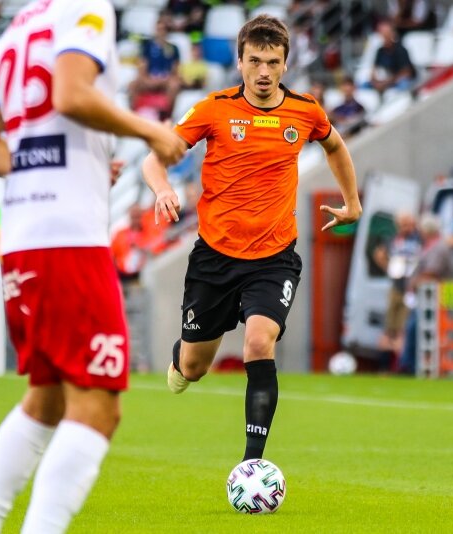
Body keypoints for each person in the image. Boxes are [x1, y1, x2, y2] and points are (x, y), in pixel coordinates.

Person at [0, 0, 185, 532]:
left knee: (47, 400)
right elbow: (71, 95)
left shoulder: (16, 30)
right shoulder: (87, 8)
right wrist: (151, 131)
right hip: (68, 243)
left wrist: (69, 170)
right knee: (98, 407)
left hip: (23, 239)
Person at [141, 15, 362, 462]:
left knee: (259, 343)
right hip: (215, 259)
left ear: (285, 65)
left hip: (274, 258)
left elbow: (335, 145)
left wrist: (352, 203)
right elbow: (154, 158)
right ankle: (183, 354)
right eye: (255, 61)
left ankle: (252, 464)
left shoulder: (305, 111)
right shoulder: (214, 109)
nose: (264, 71)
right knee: (193, 368)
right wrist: (163, 189)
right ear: (240, 62)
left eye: (273, 62)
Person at [398, 214, 453, 374]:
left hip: (435, 300)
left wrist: (414, 283)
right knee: (414, 329)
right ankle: (410, 364)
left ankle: (410, 366)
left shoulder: (438, 248)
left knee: (418, 330)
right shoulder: (430, 246)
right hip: (426, 299)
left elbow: (432, 272)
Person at [371, 211, 421, 357]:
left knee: (403, 325)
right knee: (390, 323)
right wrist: (389, 268)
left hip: (411, 288)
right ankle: (387, 356)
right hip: (396, 285)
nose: (406, 228)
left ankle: (400, 358)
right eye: (403, 225)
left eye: (409, 225)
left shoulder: (418, 239)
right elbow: (379, 254)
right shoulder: (393, 240)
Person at [129, 19, 182, 119]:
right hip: (149, 79)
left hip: (166, 81)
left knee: (174, 85)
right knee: (133, 85)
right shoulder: (147, 47)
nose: (160, 32)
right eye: (158, 29)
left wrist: (164, 80)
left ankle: (167, 117)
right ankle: (132, 116)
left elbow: (176, 69)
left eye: (163, 29)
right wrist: (147, 80)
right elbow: (142, 65)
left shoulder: (173, 48)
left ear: (167, 31)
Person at [369, 21, 416, 94]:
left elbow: (406, 73)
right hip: (384, 81)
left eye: (386, 34)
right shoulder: (380, 51)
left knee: (404, 84)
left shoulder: (401, 50)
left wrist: (387, 83)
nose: (384, 37)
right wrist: (375, 81)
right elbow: (374, 69)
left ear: (392, 34)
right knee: (363, 85)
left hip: (396, 81)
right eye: (382, 35)